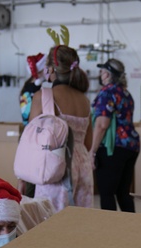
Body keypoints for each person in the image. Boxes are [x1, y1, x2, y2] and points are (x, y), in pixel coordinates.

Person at [30, 43, 94, 212]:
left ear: (50, 70)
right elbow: (88, 143)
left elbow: (32, 143)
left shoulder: (42, 97)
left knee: (51, 221)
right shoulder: (85, 101)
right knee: (81, 220)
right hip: (83, 166)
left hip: (55, 166)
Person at [90, 58, 140, 212]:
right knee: (123, 193)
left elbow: (102, 124)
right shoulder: (125, 93)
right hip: (131, 146)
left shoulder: (107, 92)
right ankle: (132, 230)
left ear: (108, 74)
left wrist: (92, 151)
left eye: (103, 71)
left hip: (113, 147)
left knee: (106, 193)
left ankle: (109, 232)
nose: (100, 74)